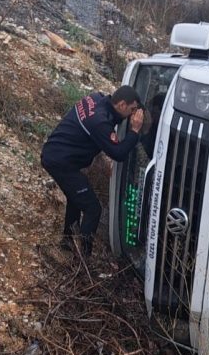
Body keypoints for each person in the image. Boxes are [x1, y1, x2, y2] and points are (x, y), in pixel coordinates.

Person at [41, 87, 144, 255]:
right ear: (122, 104)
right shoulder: (99, 121)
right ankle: (83, 260)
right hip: (61, 162)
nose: (133, 115)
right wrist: (134, 130)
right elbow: (118, 153)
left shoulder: (96, 99)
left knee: (76, 198)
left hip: (57, 153)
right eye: (132, 110)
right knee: (92, 208)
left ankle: (68, 242)